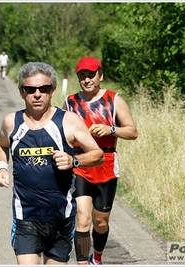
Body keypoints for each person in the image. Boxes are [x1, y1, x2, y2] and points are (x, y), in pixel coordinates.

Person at [0, 62, 104, 265]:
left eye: (43, 89)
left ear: (52, 91)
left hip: (61, 218)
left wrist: (74, 160)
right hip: (26, 217)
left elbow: (98, 154)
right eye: (30, 89)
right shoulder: (12, 122)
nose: (37, 94)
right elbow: (1, 145)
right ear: (21, 92)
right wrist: (1, 167)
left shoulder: (68, 121)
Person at [62, 56, 138, 265]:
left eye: (91, 75)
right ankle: (82, 263)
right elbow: (61, 131)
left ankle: (97, 257)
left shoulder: (114, 100)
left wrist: (110, 129)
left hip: (106, 164)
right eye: (82, 76)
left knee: (100, 223)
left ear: (100, 76)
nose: (87, 80)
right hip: (81, 164)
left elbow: (132, 132)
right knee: (83, 219)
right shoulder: (70, 102)